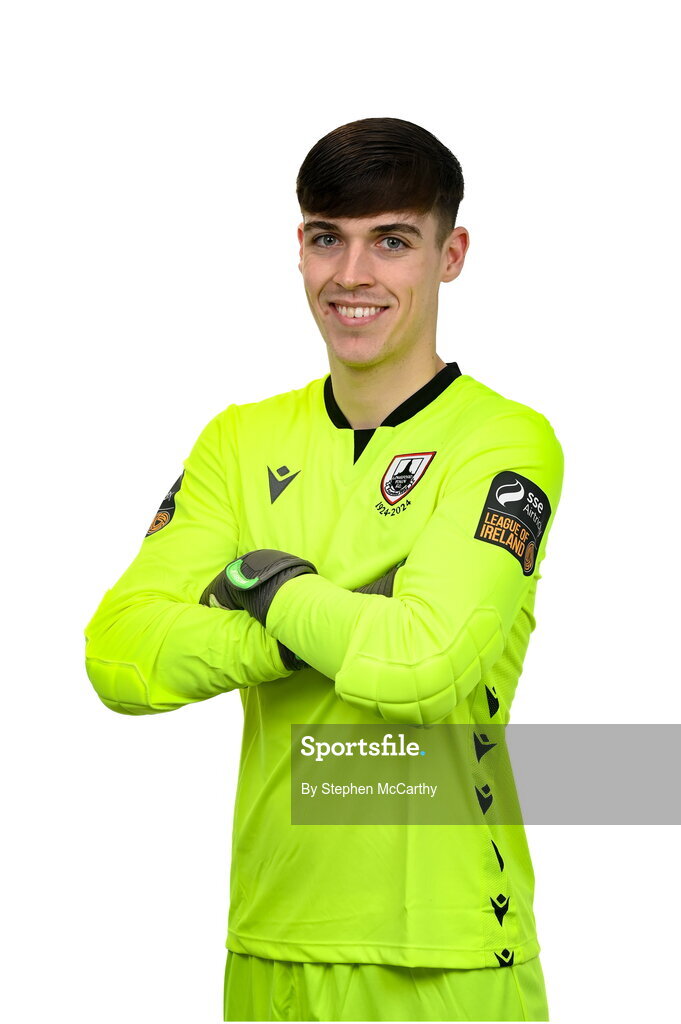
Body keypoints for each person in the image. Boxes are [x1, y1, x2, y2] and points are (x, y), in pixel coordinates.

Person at [85, 117, 564, 1022]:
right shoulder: (239, 439)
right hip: (268, 945)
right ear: (298, 249)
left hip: (445, 950)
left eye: (392, 240)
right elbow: (119, 653)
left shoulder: (504, 440)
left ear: (448, 254)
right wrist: (332, 617)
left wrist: (260, 586)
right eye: (325, 239)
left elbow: (424, 663)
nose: (352, 275)